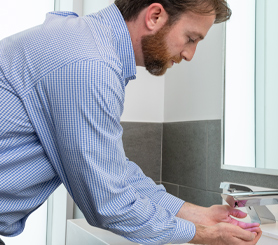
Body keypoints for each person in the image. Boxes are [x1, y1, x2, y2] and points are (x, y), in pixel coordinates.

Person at [0, 0, 262, 244]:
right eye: (191, 38)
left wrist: (197, 215)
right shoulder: (90, 64)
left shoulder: (86, 43)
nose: (190, 54)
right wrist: (203, 234)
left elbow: (116, 172)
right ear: (155, 16)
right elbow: (109, 203)